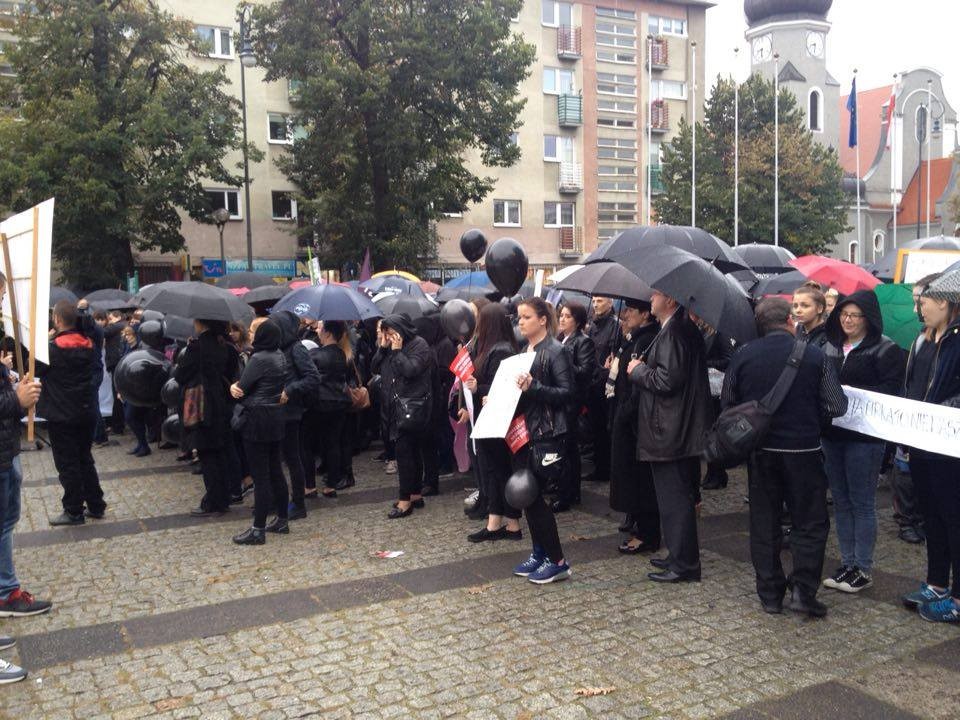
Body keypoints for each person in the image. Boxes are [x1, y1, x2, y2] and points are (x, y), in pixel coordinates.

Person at [723, 298, 848, 617]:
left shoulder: (742, 356)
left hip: (761, 452)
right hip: (804, 452)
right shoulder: (815, 355)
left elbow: (728, 405)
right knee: (810, 523)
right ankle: (804, 592)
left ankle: (769, 593)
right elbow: (836, 406)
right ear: (791, 321)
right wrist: (810, 421)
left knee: (764, 522)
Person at [821, 290, 905, 594]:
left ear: (868, 319)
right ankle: (847, 561)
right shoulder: (830, 347)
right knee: (841, 501)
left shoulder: (886, 350)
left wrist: (849, 390)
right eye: (843, 314)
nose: (847, 320)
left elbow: (892, 393)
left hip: (864, 439)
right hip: (833, 435)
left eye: (854, 315)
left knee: (862, 502)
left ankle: (862, 567)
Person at [627, 291, 712, 583]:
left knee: (675, 500)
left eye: (657, 293)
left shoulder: (675, 331)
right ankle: (678, 555)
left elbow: (667, 380)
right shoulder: (674, 329)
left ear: (671, 301)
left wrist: (638, 372)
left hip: (672, 430)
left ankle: (685, 564)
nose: (650, 297)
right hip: (675, 427)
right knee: (674, 499)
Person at [0, 273, 50, 686]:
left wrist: (13, 386)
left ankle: (6, 591)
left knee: (5, 525)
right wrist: (13, 400)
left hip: (4, 451)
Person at [903, 278, 960, 623]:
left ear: (947, 303)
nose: (919, 307)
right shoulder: (921, 341)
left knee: (954, 519)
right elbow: (911, 387)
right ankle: (937, 582)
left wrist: (943, 412)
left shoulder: (957, 342)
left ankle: (957, 599)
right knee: (933, 517)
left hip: (948, 444)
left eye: (925, 300)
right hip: (920, 441)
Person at [512, 297, 573, 584]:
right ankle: (539, 552)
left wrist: (533, 386)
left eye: (526, 317)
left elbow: (566, 393)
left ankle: (557, 560)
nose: (520, 322)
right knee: (527, 496)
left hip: (549, 435)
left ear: (542, 320)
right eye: (519, 317)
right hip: (527, 433)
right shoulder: (526, 350)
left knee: (538, 498)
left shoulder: (556, 351)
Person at [37, 301, 106, 526]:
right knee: (84, 458)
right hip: (85, 411)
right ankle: (96, 504)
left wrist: (46, 340)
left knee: (68, 464)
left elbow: (33, 366)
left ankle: (74, 510)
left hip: (62, 415)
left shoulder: (52, 349)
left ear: (56, 320)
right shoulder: (88, 344)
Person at [464, 303, 521, 543]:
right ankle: (496, 522)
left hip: (498, 419)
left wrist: (479, 387)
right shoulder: (492, 347)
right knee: (493, 471)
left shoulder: (501, 350)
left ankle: (511, 524)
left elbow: (505, 387)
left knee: (499, 471)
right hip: (489, 417)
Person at [608, 299, 661, 554]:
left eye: (631, 311)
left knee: (641, 481)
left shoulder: (648, 340)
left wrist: (624, 413)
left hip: (636, 423)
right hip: (628, 418)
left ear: (645, 315)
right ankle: (639, 526)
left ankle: (647, 534)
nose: (625, 315)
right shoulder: (634, 338)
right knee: (633, 478)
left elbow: (640, 387)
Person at [230, 320, 288, 544]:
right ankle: (282, 519)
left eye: (254, 331)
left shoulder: (259, 358)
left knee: (260, 476)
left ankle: (258, 529)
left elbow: (242, 388)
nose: (251, 334)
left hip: (257, 420)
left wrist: (233, 387)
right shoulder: (280, 355)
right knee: (276, 471)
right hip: (275, 418)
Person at [174, 319, 240, 517]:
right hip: (222, 403)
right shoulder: (226, 345)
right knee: (221, 453)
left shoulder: (197, 347)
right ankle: (224, 497)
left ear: (202, 324)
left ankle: (213, 500)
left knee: (207, 455)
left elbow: (180, 375)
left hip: (202, 406)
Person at [372, 314, 435, 519]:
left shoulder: (419, 345)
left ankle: (404, 500)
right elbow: (374, 368)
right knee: (411, 453)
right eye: (385, 333)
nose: (388, 337)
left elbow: (410, 370)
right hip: (395, 407)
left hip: (412, 408)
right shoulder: (389, 347)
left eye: (390, 332)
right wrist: (383, 348)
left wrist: (397, 352)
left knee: (405, 454)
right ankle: (415, 494)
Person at [272, 311, 320, 520]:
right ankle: (280, 499)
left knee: (293, 457)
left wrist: (290, 390)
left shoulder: (296, 348)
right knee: (278, 458)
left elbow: (313, 377)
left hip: (291, 411)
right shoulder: (274, 348)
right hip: (273, 411)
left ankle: (298, 502)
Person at [554, 301, 597, 512]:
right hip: (562, 400)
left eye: (567, 316)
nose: (562, 319)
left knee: (569, 448)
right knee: (566, 448)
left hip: (573, 402)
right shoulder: (562, 339)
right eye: (561, 315)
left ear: (577, 320)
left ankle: (569, 493)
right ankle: (566, 489)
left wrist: (563, 362)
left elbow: (585, 371)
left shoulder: (583, 342)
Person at [303, 320, 352, 499]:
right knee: (333, 443)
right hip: (339, 402)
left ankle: (309, 486)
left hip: (318, 403)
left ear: (328, 334)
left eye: (321, 330)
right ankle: (331, 484)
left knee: (307, 445)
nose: (318, 332)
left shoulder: (315, 354)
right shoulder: (344, 354)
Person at [585, 296, 617, 485]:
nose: (596, 304)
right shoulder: (593, 326)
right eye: (594, 301)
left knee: (605, 428)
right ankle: (599, 466)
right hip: (592, 383)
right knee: (595, 428)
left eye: (600, 301)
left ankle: (607, 468)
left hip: (605, 384)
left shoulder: (615, 325)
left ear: (610, 303)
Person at [102, 309, 127, 436]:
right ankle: (117, 424)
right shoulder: (121, 326)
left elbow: (102, 332)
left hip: (116, 362)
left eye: (110, 319)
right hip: (117, 362)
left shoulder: (117, 326)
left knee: (117, 395)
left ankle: (118, 426)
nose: (109, 322)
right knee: (118, 395)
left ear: (117, 317)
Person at [792, 281, 830, 348]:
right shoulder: (794, 331)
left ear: (819, 308)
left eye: (805, 306)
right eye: (795, 306)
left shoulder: (829, 336)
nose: (798, 310)